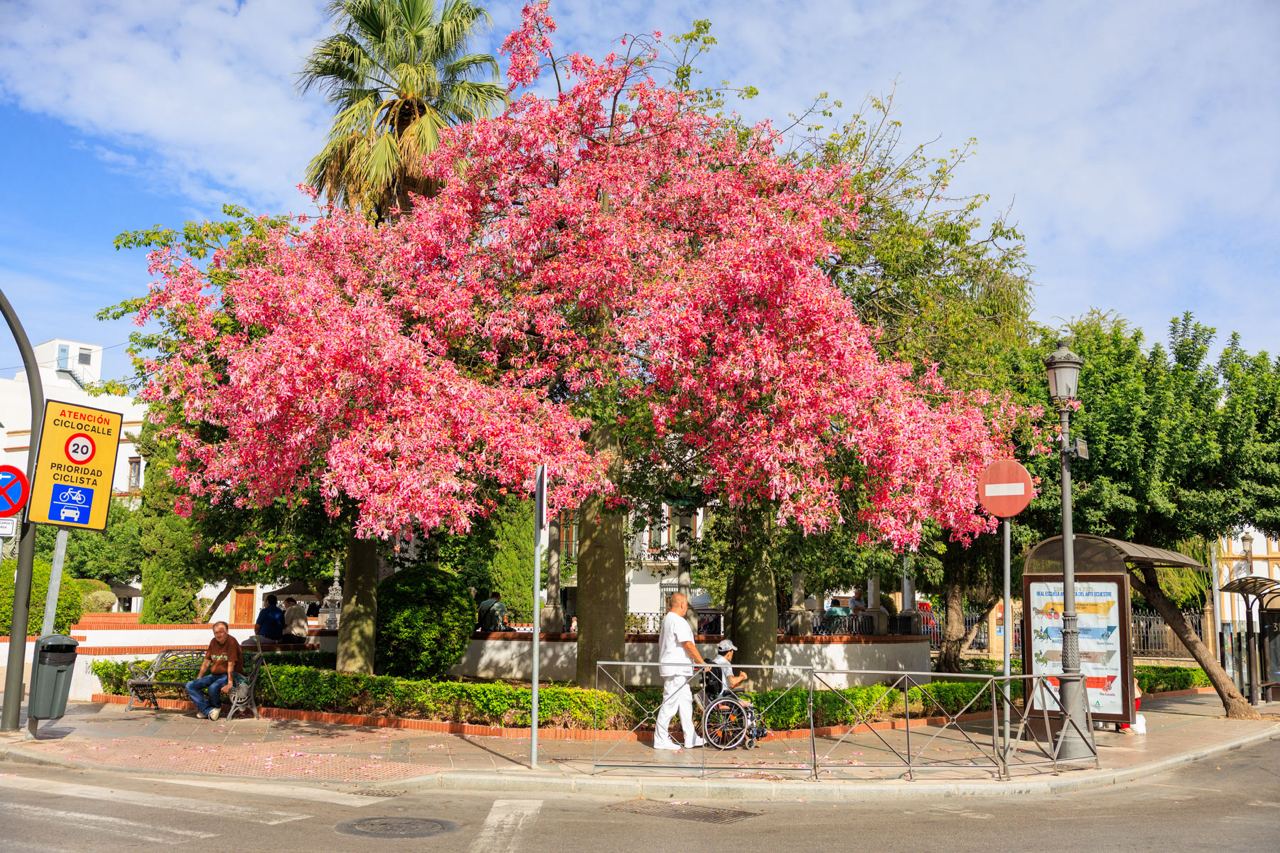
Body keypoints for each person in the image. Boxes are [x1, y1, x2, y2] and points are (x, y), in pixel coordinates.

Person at [654, 592, 707, 751]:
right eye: (687, 605)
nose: (687, 608)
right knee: (669, 704)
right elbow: (688, 644)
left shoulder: (667, 619)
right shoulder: (678, 621)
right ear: (682, 604)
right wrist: (702, 662)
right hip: (676, 669)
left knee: (685, 703)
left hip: (676, 669)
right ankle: (660, 739)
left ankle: (691, 738)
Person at [185, 621, 243, 721]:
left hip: (229, 675)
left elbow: (231, 664)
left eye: (221, 632)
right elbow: (206, 661)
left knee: (213, 687)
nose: (219, 635)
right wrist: (199, 677)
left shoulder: (231, 642)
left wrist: (230, 683)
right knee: (190, 685)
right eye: (216, 632)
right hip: (215, 675)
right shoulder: (213, 642)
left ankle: (214, 708)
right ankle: (209, 710)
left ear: (227, 631)